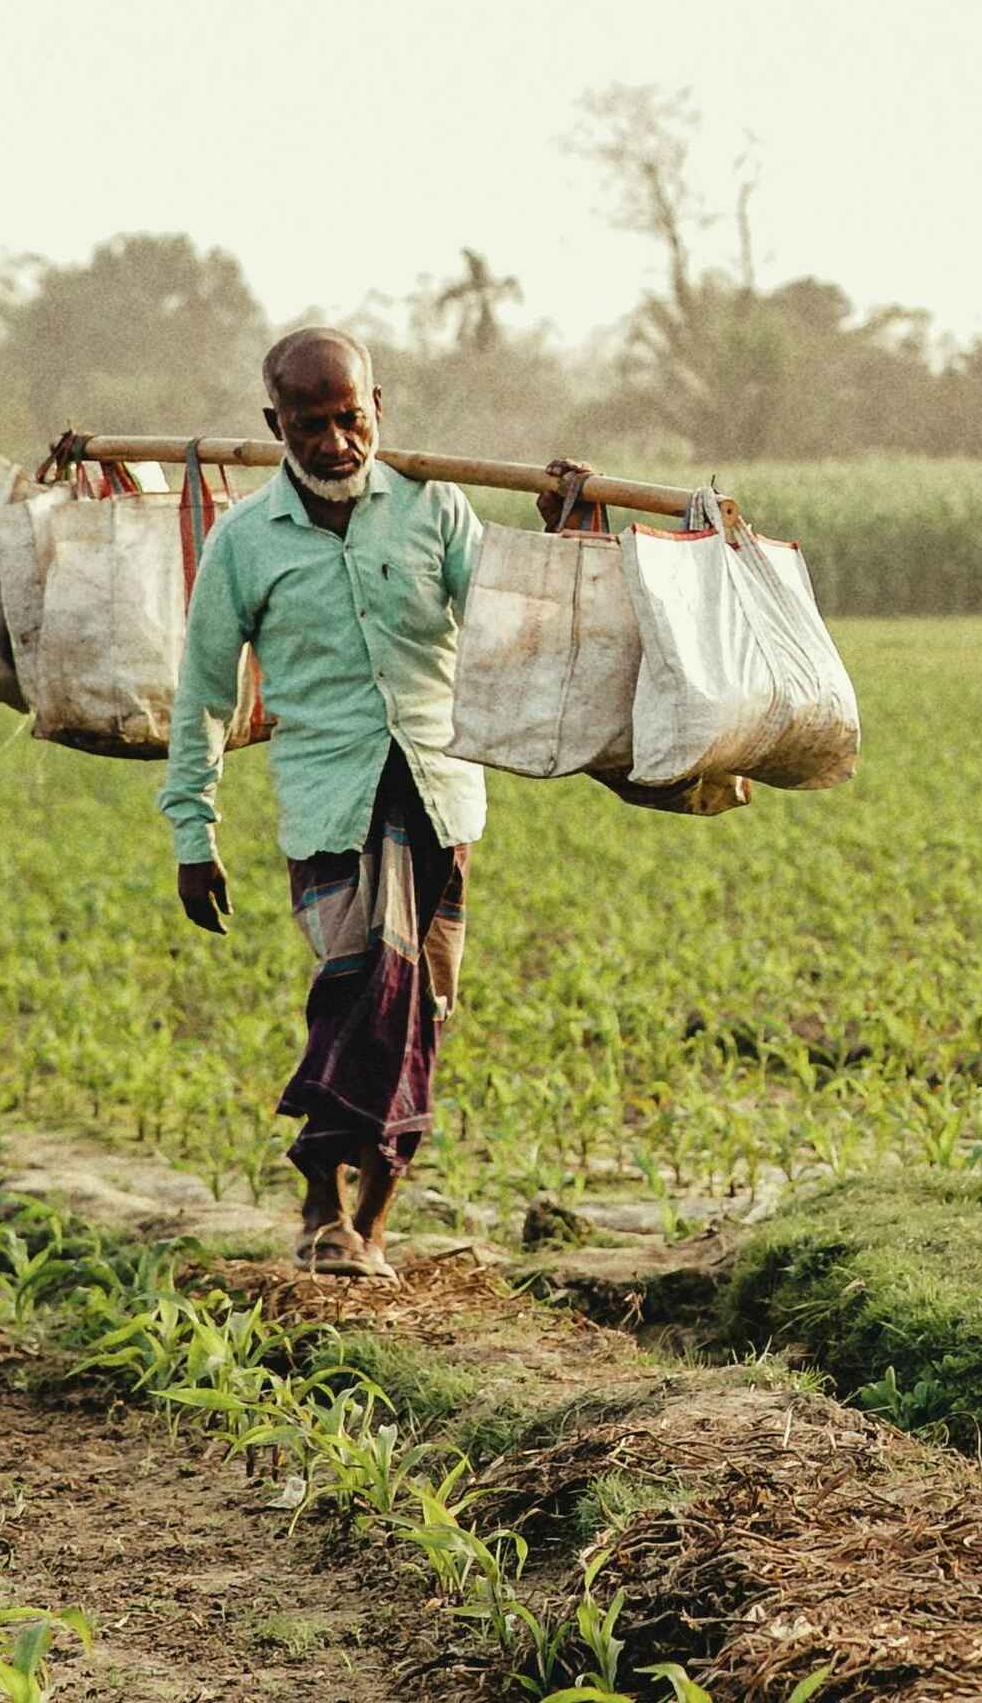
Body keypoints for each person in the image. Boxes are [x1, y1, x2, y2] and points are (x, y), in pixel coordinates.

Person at [160, 326, 588, 1277]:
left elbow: (513, 622)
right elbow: (204, 696)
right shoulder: (244, 543)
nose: (335, 444)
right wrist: (194, 832)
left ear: (378, 408)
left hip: (437, 800)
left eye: (351, 419)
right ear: (275, 425)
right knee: (358, 993)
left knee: (421, 1006)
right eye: (309, 425)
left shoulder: (436, 510)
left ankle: (373, 1224)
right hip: (327, 809)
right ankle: (321, 1202)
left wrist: (561, 531)